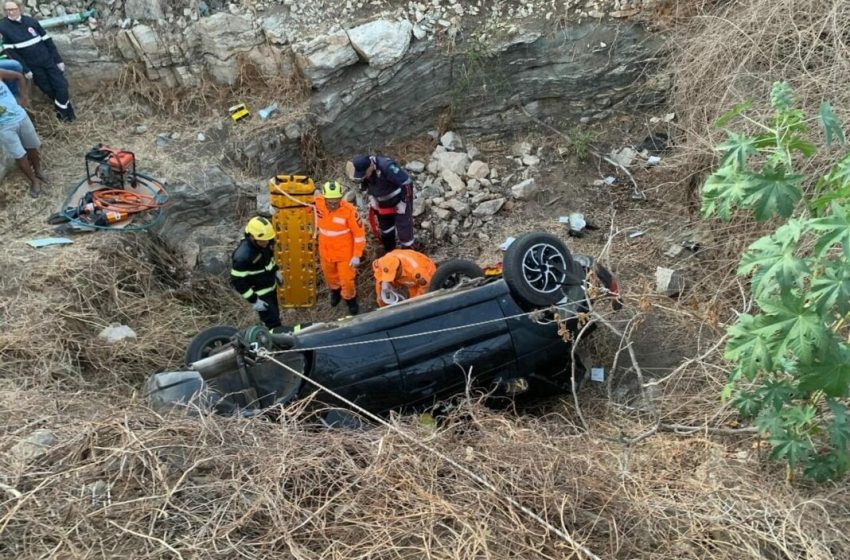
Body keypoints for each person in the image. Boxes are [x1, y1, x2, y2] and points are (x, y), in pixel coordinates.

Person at [0, 1, 75, 121]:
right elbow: (11, 52)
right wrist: (25, 69)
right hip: (33, 66)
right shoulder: (3, 27)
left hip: (48, 60)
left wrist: (58, 60)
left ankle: (62, 111)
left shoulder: (30, 21)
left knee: (62, 85)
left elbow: (47, 41)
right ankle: (67, 114)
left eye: (13, 9)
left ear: (20, 8)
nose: (11, 12)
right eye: (8, 10)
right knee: (47, 88)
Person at [316, 180, 365, 315]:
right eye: (330, 201)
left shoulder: (349, 211)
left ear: (341, 198)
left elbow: (359, 235)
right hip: (326, 253)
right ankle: (335, 292)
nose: (333, 204)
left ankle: (351, 301)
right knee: (330, 277)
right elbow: (302, 203)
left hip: (345, 255)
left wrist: (357, 254)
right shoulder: (318, 203)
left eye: (336, 201)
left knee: (347, 281)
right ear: (324, 198)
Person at [349, 154, 415, 252]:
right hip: (382, 203)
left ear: (370, 166)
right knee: (386, 229)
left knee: (404, 228)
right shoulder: (365, 172)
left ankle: (409, 253)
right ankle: (390, 253)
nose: (364, 176)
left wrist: (403, 202)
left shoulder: (386, 166)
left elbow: (406, 183)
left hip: (399, 200)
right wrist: (372, 197)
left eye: (365, 173)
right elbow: (366, 185)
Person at [0, 68, 47, 198]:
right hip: (4, 127)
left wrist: (24, 96)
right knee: (19, 155)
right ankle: (34, 181)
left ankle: (38, 171)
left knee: (32, 146)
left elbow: (18, 76)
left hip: (21, 117)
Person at [230, 216, 283, 330]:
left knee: (275, 316)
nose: (267, 242)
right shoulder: (243, 256)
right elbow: (237, 281)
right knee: (273, 324)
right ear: (252, 237)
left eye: (268, 239)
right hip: (261, 295)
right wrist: (254, 300)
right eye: (264, 240)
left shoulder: (264, 243)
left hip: (271, 288)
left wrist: (276, 270)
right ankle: (277, 342)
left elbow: (269, 260)